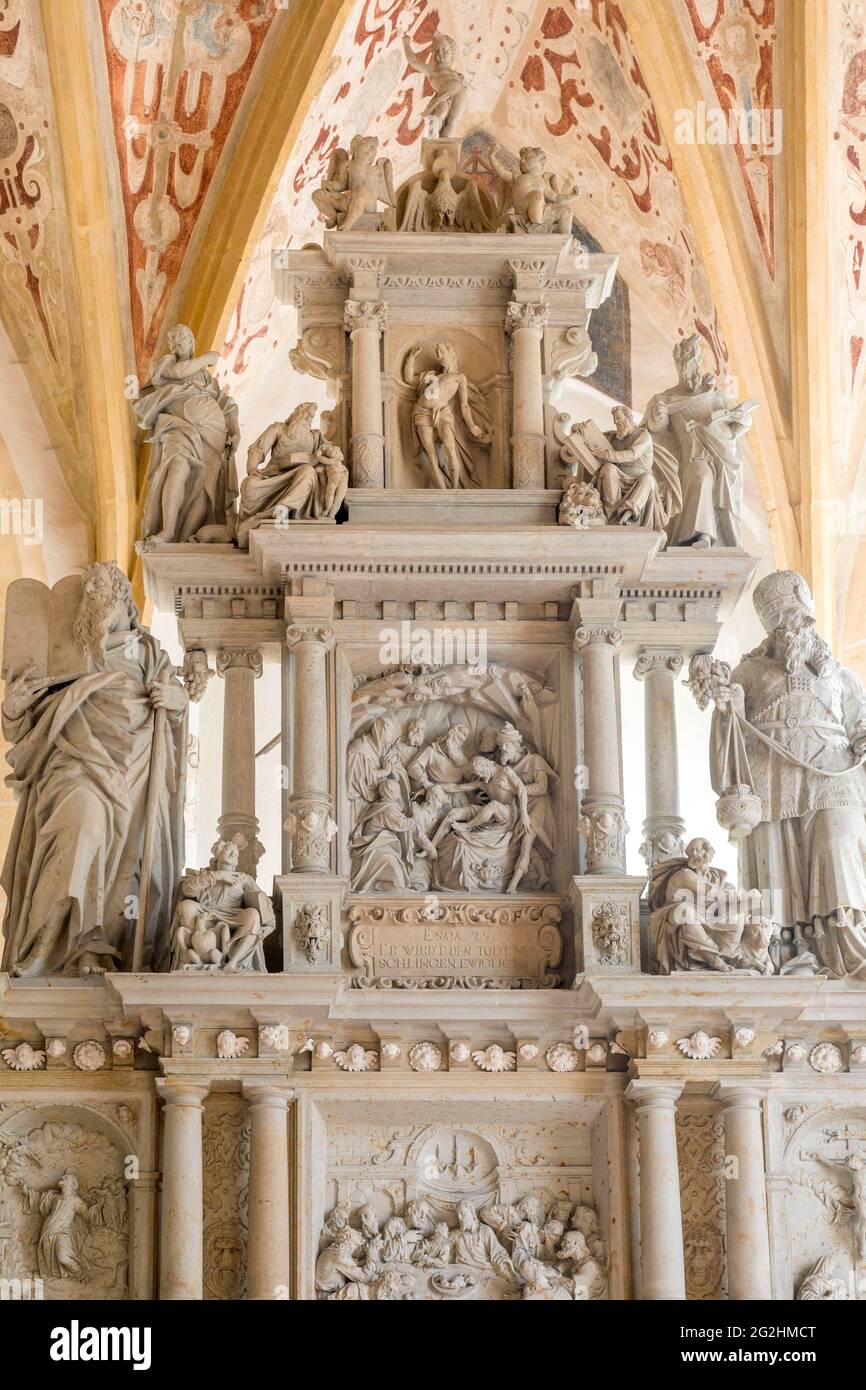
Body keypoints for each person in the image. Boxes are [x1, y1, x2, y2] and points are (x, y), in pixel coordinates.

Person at [1, 562, 187, 976]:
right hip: (74, 764)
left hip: (135, 773)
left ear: (123, 596)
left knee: (128, 866)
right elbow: (26, 727)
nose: (91, 596)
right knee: (81, 829)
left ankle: (103, 947)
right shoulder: (69, 646)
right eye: (87, 592)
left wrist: (174, 702)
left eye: (100, 589)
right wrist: (13, 707)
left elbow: (175, 710)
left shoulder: (150, 652)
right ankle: (54, 950)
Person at [711, 570, 866, 977]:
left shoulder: (843, 677)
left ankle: (848, 947)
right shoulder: (748, 672)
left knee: (838, 838)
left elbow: (861, 725)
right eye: (783, 620)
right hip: (772, 776)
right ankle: (790, 951)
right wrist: (727, 708)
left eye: (799, 617)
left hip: (834, 773)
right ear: (771, 628)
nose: (794, 626)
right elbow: (732, 735)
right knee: (776, 857)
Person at [134, 323, 239, 545]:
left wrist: (235, 432)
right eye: (172, 340)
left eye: (180, 337)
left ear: (191, 340)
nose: (175, 343)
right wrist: (206, 358)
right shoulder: (166, 365)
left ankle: (188, 538)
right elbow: (178, 372)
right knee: (178, 464)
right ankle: (169, 531)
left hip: (212, 431)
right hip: (178, 425)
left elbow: (228, 406)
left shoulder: (207, 379)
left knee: (203, 488)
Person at [237, 402, 348, 542]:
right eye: (305, 415)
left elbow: (333, 453)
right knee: (250, 485)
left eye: (310, 417)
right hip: (273, 474)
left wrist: (331, 460)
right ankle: (256, 519)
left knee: (308, 471)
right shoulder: (278, 429)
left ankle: (281, 510)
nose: (307, 420)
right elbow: (257, 449)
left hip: (300, 474)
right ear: (295, 414)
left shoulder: (315, 436)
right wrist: (252, 468)